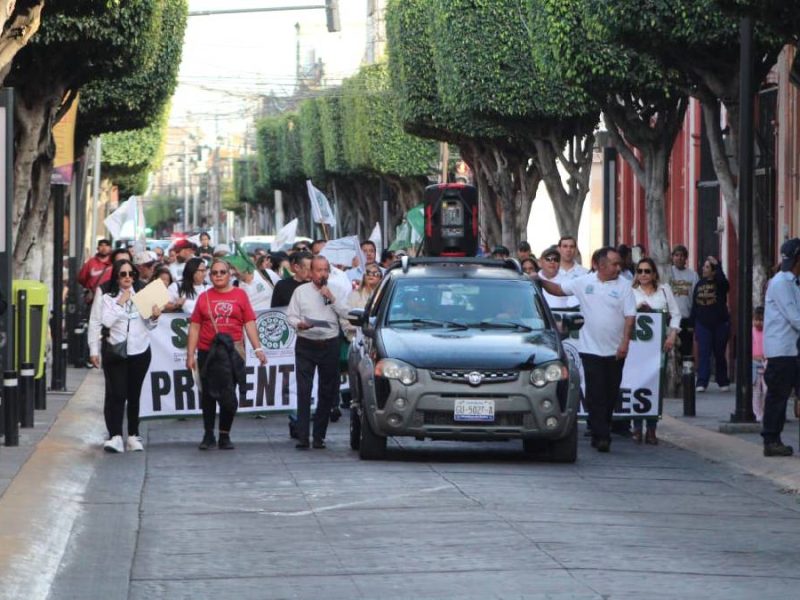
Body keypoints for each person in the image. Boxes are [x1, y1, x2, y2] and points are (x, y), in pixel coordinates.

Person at [535, 247, 636, 453]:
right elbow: (558, 289)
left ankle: (602, 426)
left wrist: (625, 342)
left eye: (619, 264)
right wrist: (538, 281)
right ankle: (601, 435)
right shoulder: (584, 282)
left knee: (610, 392)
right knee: (595, 391)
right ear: (599, 265)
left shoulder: (625, 286)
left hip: (615, 349)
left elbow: (630, 317)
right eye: (614, 264)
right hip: (590, 348)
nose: (619, 268)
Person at [186, 259, 267, 450]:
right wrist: (190, 354)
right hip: (208, 352)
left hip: (233, 353)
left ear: (229, 273)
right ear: (210, 276)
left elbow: (249, 323)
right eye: (214, 273)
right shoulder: (204, 297)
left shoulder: (240, 295)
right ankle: (208, 434)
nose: (219, 275)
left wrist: (258, 349)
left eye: (222, 272)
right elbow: (195, 327)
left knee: (229, 396)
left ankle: (224, 434)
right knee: (208, 395)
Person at [286, 256, 352, 449]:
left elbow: (346, 313)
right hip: (306, 343)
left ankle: (319, 436)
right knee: (304, 390)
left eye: (325, 270)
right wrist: (300, 324)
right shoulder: (300, 291)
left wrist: (331, 299)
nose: (322, 274)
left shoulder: (336, 290)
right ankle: (303, 436)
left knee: (327, 390)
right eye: (318, 270)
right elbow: (291, 315)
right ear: (310, 272)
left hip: (329, 343)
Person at [100, 259, 161, 453]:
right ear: (117, 278)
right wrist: (120, 303)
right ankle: (116, 435)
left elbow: (150, 326)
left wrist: (154, 316)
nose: (128, 278)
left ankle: (133, 435)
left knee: (134, 395)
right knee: (118, 394)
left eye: (130, 274)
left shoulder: (142, 296)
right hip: (117, 352)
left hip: (140, 351)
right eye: (123, 274)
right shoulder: (108, 298)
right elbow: (107, 322)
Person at [630, 257, 681, 445]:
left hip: (659, 347)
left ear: (653, 274)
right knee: (637, 384)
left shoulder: (664, 291)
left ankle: (652, 429)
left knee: (655, 385)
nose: (643, 275)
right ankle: (636, 427)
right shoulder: (631, 293)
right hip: (637, 348)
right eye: (640, 271)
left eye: (647, 271)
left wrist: (672, 335)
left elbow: (676, 314)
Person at [760, 238, 800, 457]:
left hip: (791, 348)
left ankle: (774, 437)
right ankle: (771, 439)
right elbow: (795, 317)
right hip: (781, 349)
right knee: (778, 396)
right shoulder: (782, 283)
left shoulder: (793, 281)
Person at [691, 255, 730, 392]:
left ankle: (723, 381)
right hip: (703, 324)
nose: (704, 269)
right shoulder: (699, 284)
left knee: (719, 353)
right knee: (704, 353)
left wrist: (718, 266)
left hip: (720, 324)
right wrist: (693, 323)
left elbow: (725, 284)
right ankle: (702, 381)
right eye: (704, 266)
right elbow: (694, 305)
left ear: (713, 271)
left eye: (707, 267)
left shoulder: (720, 284)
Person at [668, 244, 699, 360]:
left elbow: (696, 298)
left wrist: (693, 320)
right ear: (672, 257)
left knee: (685, 352)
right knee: (671, 352)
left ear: (686, 258)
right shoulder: (668, 273)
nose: (679, 258)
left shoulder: (693, 275)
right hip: (670, 319)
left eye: (682, 256)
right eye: (676, 255)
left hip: (686, 319)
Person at [78, 239, 113, 305]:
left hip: (109, 299)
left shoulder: (114, 262)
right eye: (101, 245)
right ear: (98, 248)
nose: (104, 248)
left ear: (110, 248)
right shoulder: (91, 262)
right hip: (93, 299)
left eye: (106, 245)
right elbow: (82, 278)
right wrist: (90, 289)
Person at [752, 306, 766, 423]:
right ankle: (757, 413)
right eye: (756, 319)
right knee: (756, 391)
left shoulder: (768, 331)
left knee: (766, 390)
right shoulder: (751, 331)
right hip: (755, 363)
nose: (758, 322)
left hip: (766, 363)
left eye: (761, 320)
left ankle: (764, 411)